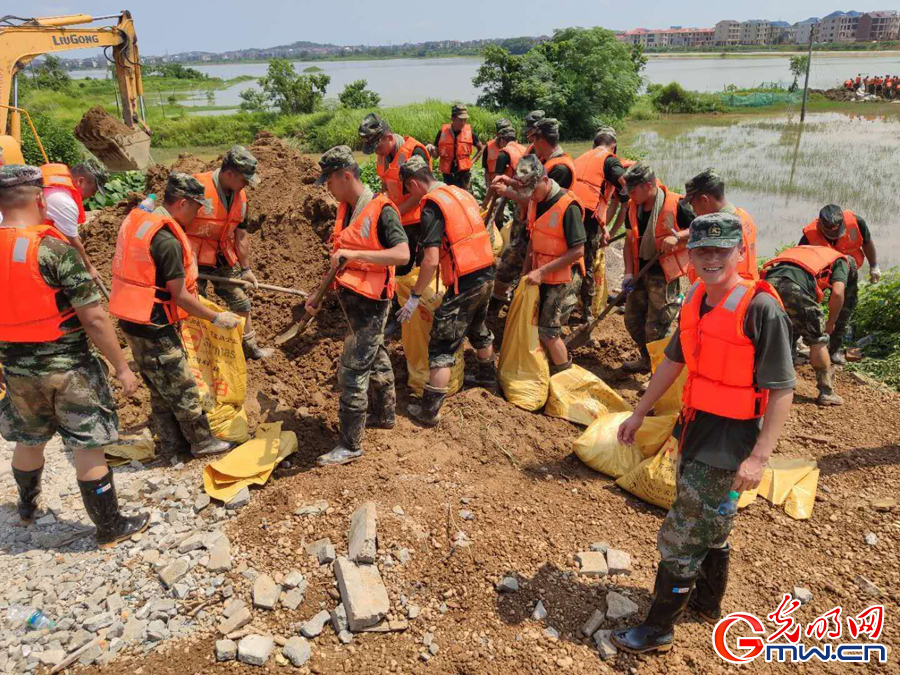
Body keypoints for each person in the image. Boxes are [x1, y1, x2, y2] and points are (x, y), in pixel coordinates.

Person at [610, 213, 795, 654]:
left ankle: (658, 630)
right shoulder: (695, 297)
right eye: (701, 251)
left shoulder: (761, 309)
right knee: (711, 519)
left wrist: (759, 458)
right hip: (695, 424)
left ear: (740, 252)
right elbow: (674, 362)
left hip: (730, 437)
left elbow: (783, 389)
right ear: (690, 256)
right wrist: (639, 412)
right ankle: (707, 603)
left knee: (683, 530)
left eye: (721, 250)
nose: (711, 259)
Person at [0, 164, 148, 549]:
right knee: (87, 444)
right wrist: (122, 367)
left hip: (16, 367)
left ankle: (27, 506)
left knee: (29, 439)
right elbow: (94, 318)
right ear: (39, 198)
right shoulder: (54, 250)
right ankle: (110, 526)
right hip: (69, 368)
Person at [110, 173, 240, 458]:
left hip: (132, 317)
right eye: (196, 207)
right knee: (182, 385)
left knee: (159, 386)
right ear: (182, 203)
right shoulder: (166, 241)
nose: (198, 214)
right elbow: (180, 296)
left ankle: (172, 445)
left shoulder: (141, 219)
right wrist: (216, 318)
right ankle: (202, 442)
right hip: (154, 324)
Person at [307, 146, 409, 466]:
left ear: (346, 176)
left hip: (372, 303)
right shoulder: (347, 209)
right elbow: (341, 260)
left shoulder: (382, 210)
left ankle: (350, 445)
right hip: (355, 300)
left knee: (352, 372)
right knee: (376, 356)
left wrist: (356, 256)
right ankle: (385, 414)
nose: (327, 188)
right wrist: (317, 294)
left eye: (329, 181)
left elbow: (402, 254)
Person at [395, 155, 497, 426]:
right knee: (478, 328)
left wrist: (414, 297)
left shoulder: (432, 205)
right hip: (486, 271)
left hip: (465, 280)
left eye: (409, 191)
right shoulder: (459, 193)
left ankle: (429, 411)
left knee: (441, 344)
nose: (411, 197)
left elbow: (430, 260)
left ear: (414, 183)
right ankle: (488, 378)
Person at [497, 154, 586, 373]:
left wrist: (541, 271)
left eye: (533, 190)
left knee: (548, 330)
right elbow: (532, 240)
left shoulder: (568, 206)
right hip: (541, 271)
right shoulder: (535, 201)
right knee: (533, 321)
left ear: (545, 180)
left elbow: (578, 251)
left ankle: (564, 374)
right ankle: (541, 365)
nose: (531, 196)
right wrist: (525, 274)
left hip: (563, 275)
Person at [187, 145, 270, 360]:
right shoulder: (196, 186)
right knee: (195, 303)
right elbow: (174, 222)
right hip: (192, 256)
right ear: (230, 174)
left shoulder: (241, 198)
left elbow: (241, 236)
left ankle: (249, 347)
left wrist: (246, 269)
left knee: (241, 301)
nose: (246, 185)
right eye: (244, 180)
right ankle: (197, 352)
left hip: (221, 256)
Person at [620, 163, 695, 373]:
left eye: (633, 191)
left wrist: (677, 236)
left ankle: (660, 374)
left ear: (648, 185)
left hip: (664, 276)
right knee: (632, 320)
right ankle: (647, 360)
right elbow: (628, 242)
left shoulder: (677, 205)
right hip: (640, 271)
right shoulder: (633, 208)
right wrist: (628, 273)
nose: (630, 195)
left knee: (657, 327)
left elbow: (701, 228)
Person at [761, 245, 852, 406]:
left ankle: (777, 385)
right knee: (817, 340)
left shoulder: (806, 251)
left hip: (767, 284)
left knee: (782, 333)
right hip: (794, 287)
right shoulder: (841, 261)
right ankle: (826, 392)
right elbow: (838, 293)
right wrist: (830, 323)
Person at [799, 204, 878, 365]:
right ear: (821, 225)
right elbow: (800, 260)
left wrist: (874, 266)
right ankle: (809, 342)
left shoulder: (857, 223)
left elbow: (867, 243)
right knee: (808, 307)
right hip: (821, 274)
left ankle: (834, 349)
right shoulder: (809, 236)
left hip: (847, 272)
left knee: (845, 308)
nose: (834, 235)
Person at [488, 111, 547, 313]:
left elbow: (535, 199)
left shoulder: (557, 167)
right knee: (514, 264)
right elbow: (524, 186)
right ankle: (506, 302)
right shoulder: (531, 152)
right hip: (525, 220)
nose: (530, 139)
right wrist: (510, 182)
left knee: (515, 264)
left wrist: (507, 191)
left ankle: (519, 305)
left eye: (532, 135)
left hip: (540, 228)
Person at [359, 112, 430, 278]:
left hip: (419, 219)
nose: (377, 152)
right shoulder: (384, 155)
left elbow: (421, 193)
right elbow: (385, 182)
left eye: (377, 147)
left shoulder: (415, 152)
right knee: (398, 268)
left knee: (419, 265)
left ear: (389, 138)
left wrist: (394, 212)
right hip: (399, 218)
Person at [571, 125, 629, 324]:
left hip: (569, 212)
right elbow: (625, 192)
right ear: (614, 147)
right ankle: (586, 313)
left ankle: (572, 301)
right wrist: (610, 232)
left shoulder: (580, 158)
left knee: (570, 259)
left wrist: (605, 230)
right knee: (586, 264)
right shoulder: (611, 161)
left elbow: (601, 199)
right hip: (587, 220)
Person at [39, 159, 109, 284]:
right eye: (93, 190)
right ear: (81, 181)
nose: (93, 195)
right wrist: (89, 269)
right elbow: (74, 243)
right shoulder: (64, 201)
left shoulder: (55, 186)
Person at [683, 169, 758, 282]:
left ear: (704, 200)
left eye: (693, 205)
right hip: (746, 284)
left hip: (728, 289)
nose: (694, 211)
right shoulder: (743, 216)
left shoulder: (724, 232)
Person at [429, 104, 484, 189]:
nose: (463, 123)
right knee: (449, 196)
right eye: (461, 120)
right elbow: (436, 156)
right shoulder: (442, 132)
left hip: (464, 176)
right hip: (448, 176)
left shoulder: (469, 132)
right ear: (452, 119)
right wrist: (432, 150)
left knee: (464, 196)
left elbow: (481, 148)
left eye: (465, 120)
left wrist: (471, 162)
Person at [530, 118, 577, 190]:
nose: (533, 144)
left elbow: (540, 195)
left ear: (541, 141)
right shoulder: (545, 160)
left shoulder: (560, 171)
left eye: (533, 140)